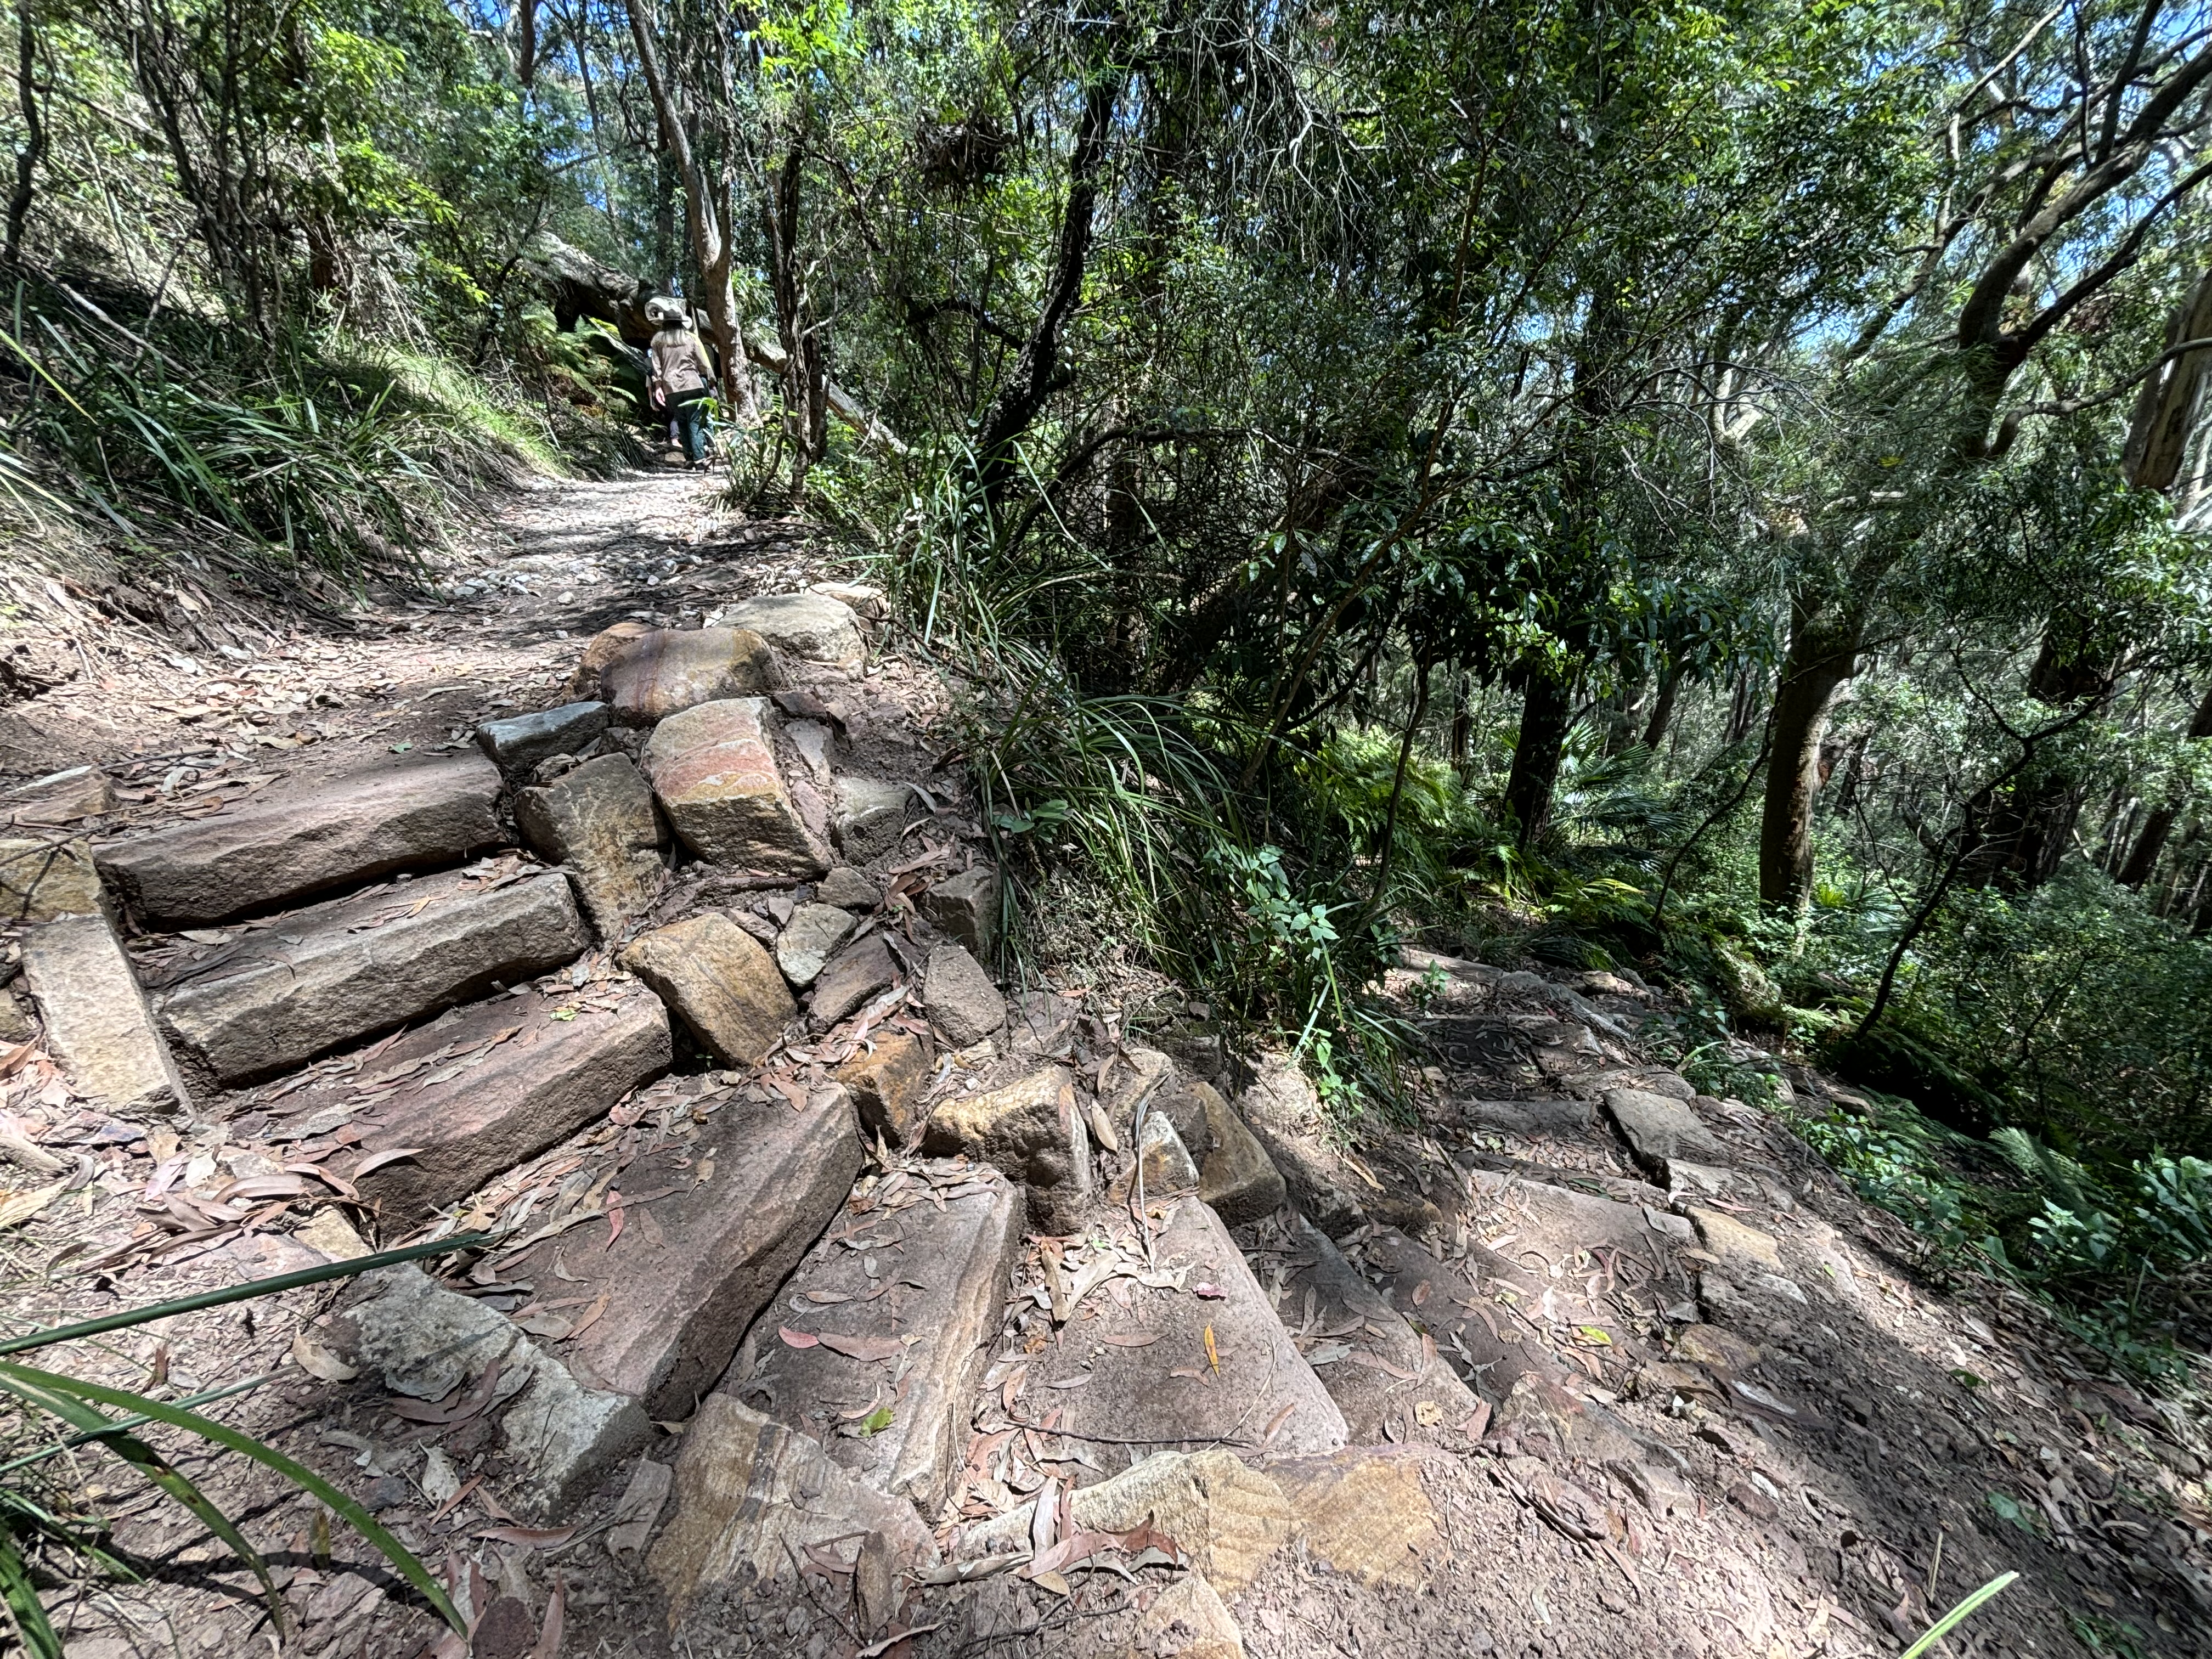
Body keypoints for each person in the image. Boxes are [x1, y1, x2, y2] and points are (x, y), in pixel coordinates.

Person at [647, 300, 717, 468]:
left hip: (672, 388)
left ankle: (689, 458)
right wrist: (712, 382)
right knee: (695, 422)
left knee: (682, 421)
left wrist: (658, 388)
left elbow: (656, 367)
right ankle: (700, 458)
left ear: (665, 324)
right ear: (681, 324)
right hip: (693, 385)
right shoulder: (690, 339)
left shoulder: (658, 341)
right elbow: (703, 363)